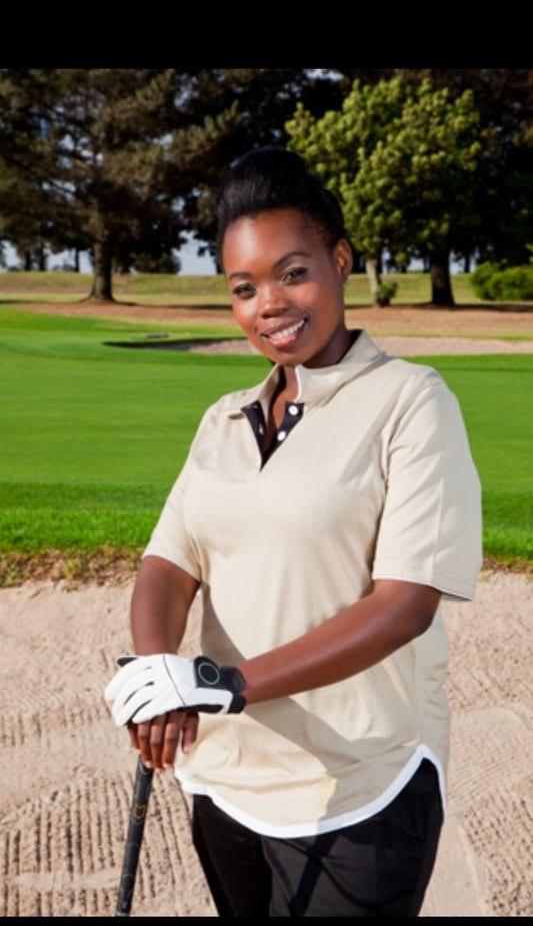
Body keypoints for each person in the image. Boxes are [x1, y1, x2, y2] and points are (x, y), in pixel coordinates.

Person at [105, 148, 482, 917]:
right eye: (244, 288)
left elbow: (403, 603)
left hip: (358, 787)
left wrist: (219, 685)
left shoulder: (411, 400)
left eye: (293, 272)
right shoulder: (222, 418)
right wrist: (159, 678)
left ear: (340, 261)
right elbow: (168, 564)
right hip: (227, 777)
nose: (268, 303)